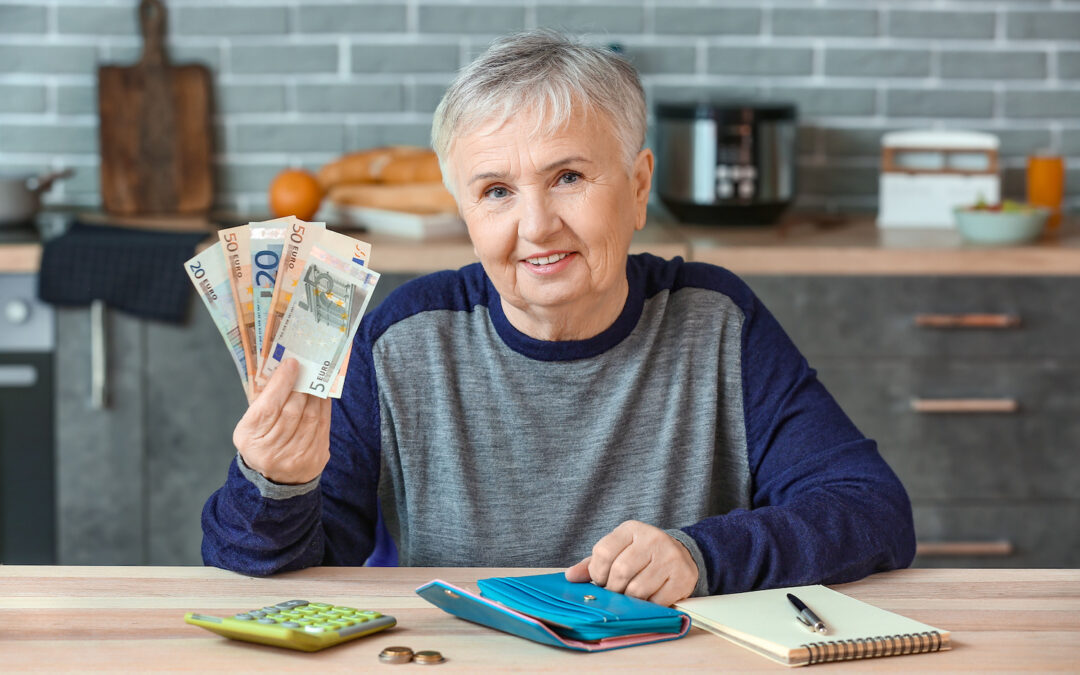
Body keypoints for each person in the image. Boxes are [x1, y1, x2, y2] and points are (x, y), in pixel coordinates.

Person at [202, 29, 915, 606]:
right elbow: (277, 574)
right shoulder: (404, 335)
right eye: (497, 191)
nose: (536, 225)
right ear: (466, 214)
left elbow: (871, 510)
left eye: (568, 177)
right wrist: (276, 481)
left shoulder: (717, 319)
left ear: (638, 188)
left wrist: (702, 555)